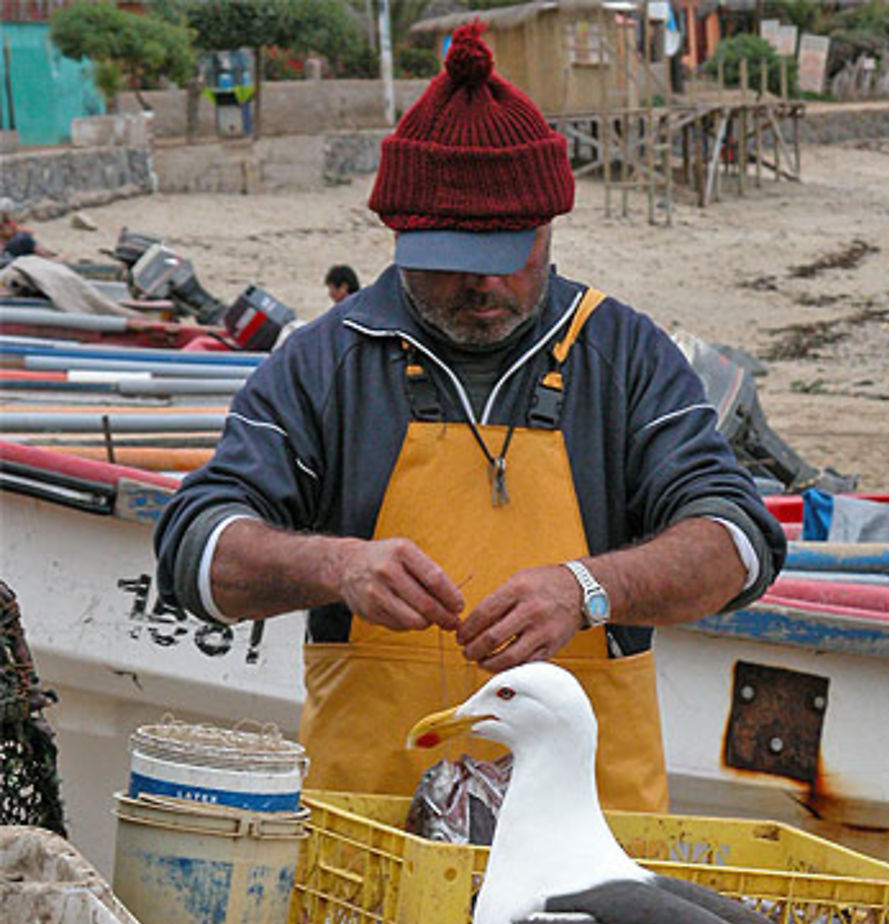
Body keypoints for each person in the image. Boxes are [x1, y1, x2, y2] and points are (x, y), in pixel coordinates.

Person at [155, 22, 786, 813]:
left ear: (551, 225)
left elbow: (739, 544)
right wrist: (338, 567)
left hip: (589, 863)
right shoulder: (322, 363)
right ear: (399, 231)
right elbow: (194, 550)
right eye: (452, 255)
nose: (481, 284)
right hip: (368, 845)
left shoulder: (624, 354)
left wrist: (588, 587)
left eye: (509, 254)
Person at [0, 199, 56, 264]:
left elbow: (15, 230)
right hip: (7, 246)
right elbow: (8, 233)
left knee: (26, 237)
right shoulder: (3, 223)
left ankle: (45, 252)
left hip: (11, 244)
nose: (9, 214)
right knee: (25, 239)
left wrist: (22, 230)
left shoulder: (8, 221)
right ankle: (46, 255)